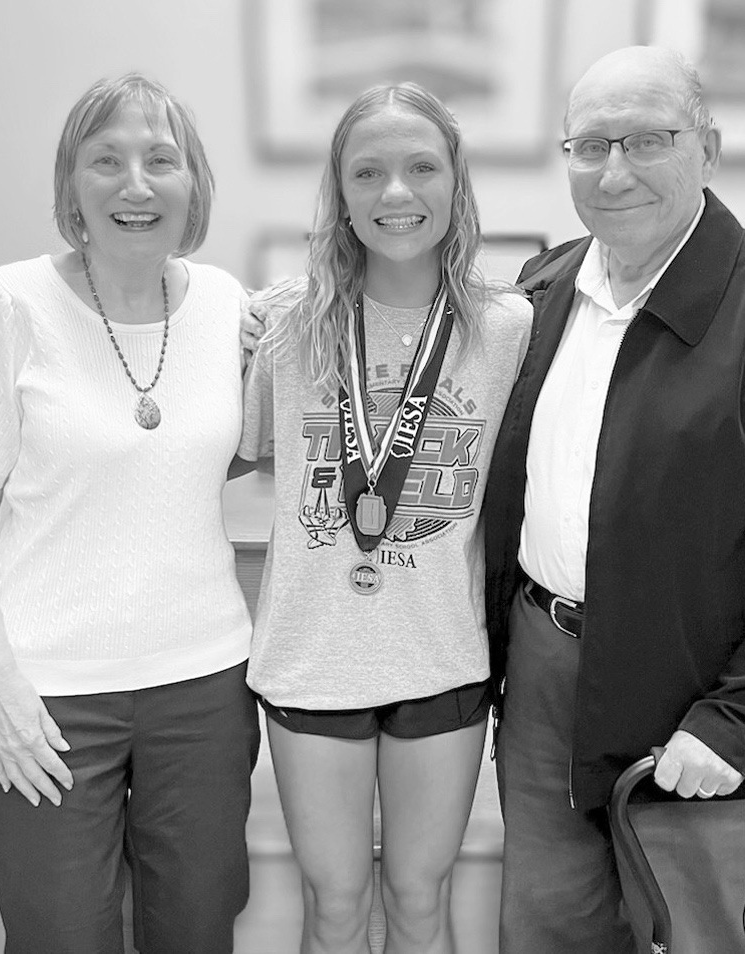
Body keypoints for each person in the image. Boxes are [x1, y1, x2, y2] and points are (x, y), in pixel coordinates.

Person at [483, 46, 745, 953]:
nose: (615, 170)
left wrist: (739, 723)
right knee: (546, 935)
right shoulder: (540, 295)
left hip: (707, 705)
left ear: (707, 148)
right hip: (545, 683)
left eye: (647, 140)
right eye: (590, 145)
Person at [0, 74, 259, 954]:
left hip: (204, 683)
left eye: (161, 160)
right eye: (104, 160)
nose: (135, 184)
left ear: (195, 185)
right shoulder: (13, 303)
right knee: (60, 939)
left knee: (196, 933)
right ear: (71, 186)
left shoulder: (230, 307)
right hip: (47, 694)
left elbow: (234, 453)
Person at [237, 83, 531, 954]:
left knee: (419, 897)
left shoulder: (508, 328)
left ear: (456, 183)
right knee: (332, 904)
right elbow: (235, 452)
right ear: (340, 193)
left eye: (420, 168)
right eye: (368, 172)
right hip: (311, 655)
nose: (395, 193)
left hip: (440, 653)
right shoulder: (285, 324)